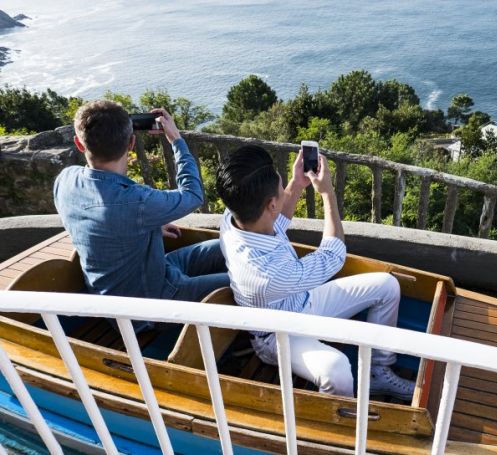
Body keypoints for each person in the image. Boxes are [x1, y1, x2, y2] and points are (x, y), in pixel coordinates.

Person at [216, 144, 415, 399]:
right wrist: (327, 193)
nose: (282, 185)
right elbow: (333, 255)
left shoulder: (235, 216)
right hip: (278, 335)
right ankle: (333, 423)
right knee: (337, 370)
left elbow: (277, 219)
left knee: (387, 286)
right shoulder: (264, 275)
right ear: (271, 205)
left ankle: (379, 372)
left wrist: (297, 184)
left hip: (301, 299)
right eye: (281, 184)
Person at [54, 100, 228, 324]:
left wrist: (148, 225)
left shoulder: (65, 180)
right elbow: (193, 194)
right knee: (248, 283)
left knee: (228, 245)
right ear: (132, 143)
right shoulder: (136, 201)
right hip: (150, 305)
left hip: (122, 289)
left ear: (79, 144)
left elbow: (96, 221)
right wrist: (176, 139)